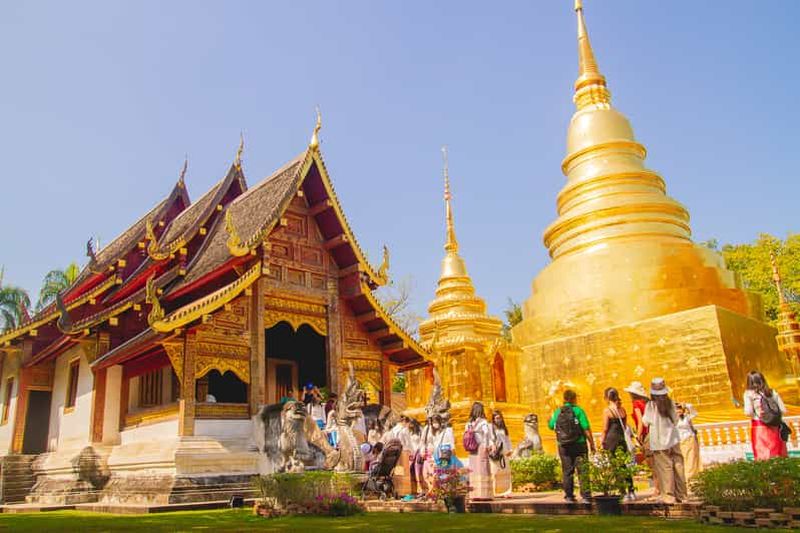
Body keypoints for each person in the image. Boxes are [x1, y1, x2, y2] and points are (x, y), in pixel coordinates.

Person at [642, 378, 687, 504]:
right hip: (673, 437)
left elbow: (646, 421)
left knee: (665, 467)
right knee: (678, 464)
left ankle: (668, 495)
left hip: (659, 440)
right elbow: (676, 419)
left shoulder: (651, 406)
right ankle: (682, 494)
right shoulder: (670, 403)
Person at [548, 389, 595, 503]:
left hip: (563, 445)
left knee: (567, 471)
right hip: (579, 443)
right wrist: (592, 443)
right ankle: (586, 496)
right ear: (574, 399)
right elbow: (586, 428)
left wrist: (549, 419)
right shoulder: (578, 411)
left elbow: (550, 426)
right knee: (583, 469)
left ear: (564, 399)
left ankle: (569, 496)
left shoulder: (558, 412)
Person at [600, 387, 635, 501]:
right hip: (621, 439)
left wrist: (602, 441)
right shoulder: (622, 410)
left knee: (615, 465)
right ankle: (631, 490)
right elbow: (624, 426)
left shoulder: (607, 411)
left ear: (607, 398)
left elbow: (605, 428)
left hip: (611, 439)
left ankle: (623, 491)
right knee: (624, 465)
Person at [743, 370, 788, 460]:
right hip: (776, 426)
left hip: (759, 426)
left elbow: (748, 412)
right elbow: (783, 410)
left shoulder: (749, 394)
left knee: (763, 456)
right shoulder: (772, 392)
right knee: (778, 454)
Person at [625, 380, 657, 494]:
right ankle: (658, 487)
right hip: (653, 432)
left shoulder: (636, 404)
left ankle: (657, 489)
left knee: (650, 462)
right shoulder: (647, 403)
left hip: (645, 433)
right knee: (654, 460)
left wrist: (638, 437)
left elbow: (640, 421)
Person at [464, 401, 493, 500]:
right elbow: (486, 434)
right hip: (480, 446)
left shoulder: (469, 423)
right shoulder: (483, 422)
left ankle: (475, 494)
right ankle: (484, 494)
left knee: (475, 470)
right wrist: (487, 445)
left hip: (472, 447)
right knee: (483, 470)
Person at [489, 410, 513, 497]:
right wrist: (492, 446)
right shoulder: (491, 428)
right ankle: (495, 492)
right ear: (493, 419)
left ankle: (506, 492)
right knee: (495, 472)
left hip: (504, 451)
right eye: (496, 418)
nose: (498, 420)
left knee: (506, 472)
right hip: (496, 452)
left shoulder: (503, 428)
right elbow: (490, 439)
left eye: (499, 418)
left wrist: (510, 449)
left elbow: (507, 439)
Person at [676, 402, 701, 482]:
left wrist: (686, 405)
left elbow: (695, 413)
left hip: (689, 439)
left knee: (691, 458)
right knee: (683, 459)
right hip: (679, 441)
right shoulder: (672, 420)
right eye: (676, 410)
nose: (678, 411)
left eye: (679, 409)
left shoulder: (686, 418)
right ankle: (684, 476)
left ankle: (690, 476)